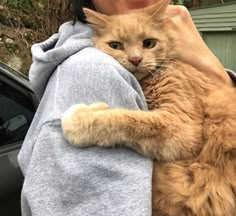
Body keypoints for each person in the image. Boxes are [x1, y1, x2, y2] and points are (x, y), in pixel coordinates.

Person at [18, 0, 236, 216]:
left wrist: (214, 70)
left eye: (148, 43)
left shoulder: (175, 71)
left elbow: (184, 137)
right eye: (116, 46)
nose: (136, 58)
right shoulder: (89, 71)